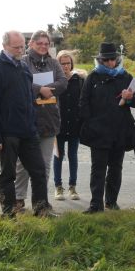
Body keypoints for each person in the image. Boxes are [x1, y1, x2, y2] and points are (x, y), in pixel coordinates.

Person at [0, 30, 55, 218]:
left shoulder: (23, 68)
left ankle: (41, 209)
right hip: (7, 133)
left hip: (28, 131)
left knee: (38, 170)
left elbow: (30, 98)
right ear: (5, 46)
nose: (20, 50)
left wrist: (33, 125)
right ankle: (8, 212)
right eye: (16, 47)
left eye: (22, 46)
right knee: (8, 174)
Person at [79, 42, 135, 213]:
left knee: (116, 168)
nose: (110, 63)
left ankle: (111, 201)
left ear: (117, 59)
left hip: (120, 130)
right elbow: (83, 103)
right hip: (98, 131)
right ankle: (95, 205)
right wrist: (90, 123)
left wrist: (129, 98)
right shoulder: (93, 77)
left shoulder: (126, 77)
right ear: (100, 60)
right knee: (98, 169)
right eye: (106, 60)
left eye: (113, 59)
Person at [14, 30, 66, 211]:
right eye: (40, 43)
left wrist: (47, 89)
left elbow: (62, 82)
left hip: (50, 120)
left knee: (44, 164)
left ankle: (41, 201)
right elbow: (20, 83)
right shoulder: (23, 62)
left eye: (46, 43)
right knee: (23, 165)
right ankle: (18, 199)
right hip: (27, 121)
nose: (44, 46)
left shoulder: (53, 63)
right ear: (31, 44)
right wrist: (39, 89)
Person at [53, 50, 84, 201]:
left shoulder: (79, 80)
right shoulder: (54, 80)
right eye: (62, 63)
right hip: (58, 125)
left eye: (67, 63)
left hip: (74, 125)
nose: (65, 66)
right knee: (58, 156)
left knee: (73, 156)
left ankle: (73, 187)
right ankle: (58, 187)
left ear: (71, 63)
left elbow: (83, 101)